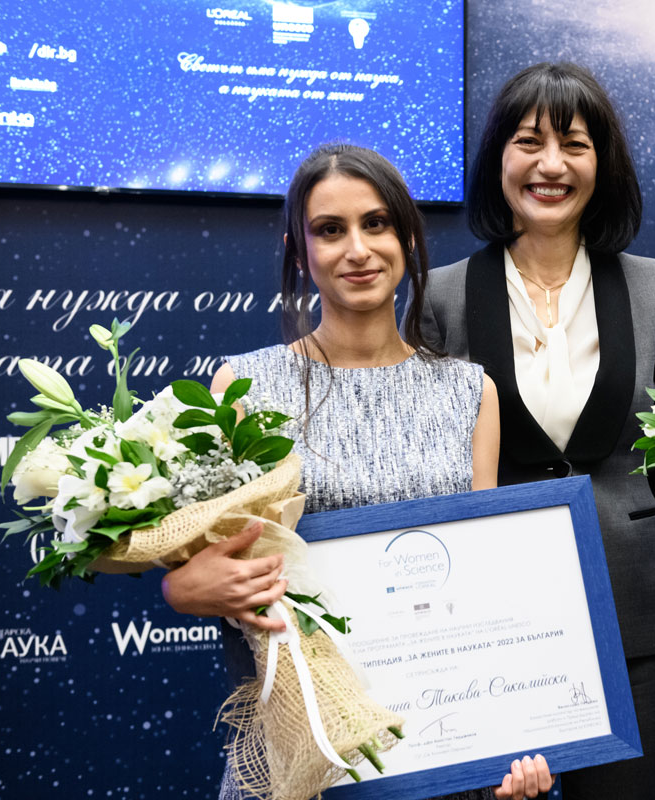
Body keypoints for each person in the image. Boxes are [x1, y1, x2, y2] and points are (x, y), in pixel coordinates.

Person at [161, 143, 551, 800]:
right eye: (330, 230)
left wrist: (512, 739)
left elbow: (481, 583)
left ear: (407, 237)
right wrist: (185, 587)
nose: (358, 250)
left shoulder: (469, 392)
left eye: (376, 224)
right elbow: (196, 572)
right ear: (300, 252)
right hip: (302, 752)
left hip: (442, 748)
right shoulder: (243, 388)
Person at [417, 63, 655, 800]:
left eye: (574, 144)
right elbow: (432, 466)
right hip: (490, 618)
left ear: (602, 164)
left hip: (633, 603)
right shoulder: (441, 296)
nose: (551, 165)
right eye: (528, 142)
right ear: (498, 160)